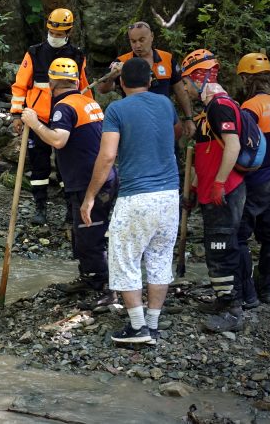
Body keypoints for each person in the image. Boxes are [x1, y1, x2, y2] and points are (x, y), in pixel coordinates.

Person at [81, 57, 181, 344]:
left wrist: (90, 196)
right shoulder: (165, 104)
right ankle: (153, 323)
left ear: (122, 83)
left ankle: (137, 328)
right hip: (169, 195)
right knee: (160, 258)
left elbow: (108, 155)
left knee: (125, 258)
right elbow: (175, 133)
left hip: (137, 195)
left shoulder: (117, 109)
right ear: (150, 81)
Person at [21, 58, 117, 310]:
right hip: (98, 176)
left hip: (88, 180)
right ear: (76, 80)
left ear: (51, 82)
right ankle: (89, 277)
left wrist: (33, 123)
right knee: (83, 232)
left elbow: (58, 140)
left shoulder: (64, 106)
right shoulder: (88, 101)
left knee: (90, 235)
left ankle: (105, 288)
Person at [180, 49, 246, 332]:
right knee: (216, 246)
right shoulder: (209, 109)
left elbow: (233, 146)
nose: (183, 88)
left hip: (225, 191)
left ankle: (233, 309)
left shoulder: (220, 106)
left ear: (199, 78)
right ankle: (223, 299)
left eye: (185, 82)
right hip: (211, 190)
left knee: (221, 248)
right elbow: (206, 154)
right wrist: (195, 187)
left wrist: (219, 183)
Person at [11, 7, 90, 225]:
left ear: (69, 32)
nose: (55, 37)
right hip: (39, 119)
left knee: (67, 166)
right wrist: (17, 114)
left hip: (67, 119)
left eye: (60, 34)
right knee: (39, 165)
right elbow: (20, 86)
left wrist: (88, 117)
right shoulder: (34, 53)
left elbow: (84, 89)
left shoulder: (77, 56)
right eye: (52, 33)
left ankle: (70, 207)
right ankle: (40, 207)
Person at [234, 53, 270, 306]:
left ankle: (246, 291)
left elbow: (246, 147)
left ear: (247, 77)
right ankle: (267, 288)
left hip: (254, 180)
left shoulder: (251, 107)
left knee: (239, 237)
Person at [98, 21, 195, 136]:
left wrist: (188, 118)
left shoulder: (167, 59)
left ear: (152, 37)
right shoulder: (122, 62)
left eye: (141, 40)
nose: (137, 45)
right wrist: (111, 78)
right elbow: (102, 89)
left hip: (164, 120)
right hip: (135, 123)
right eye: (133, 41)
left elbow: (180, 90)